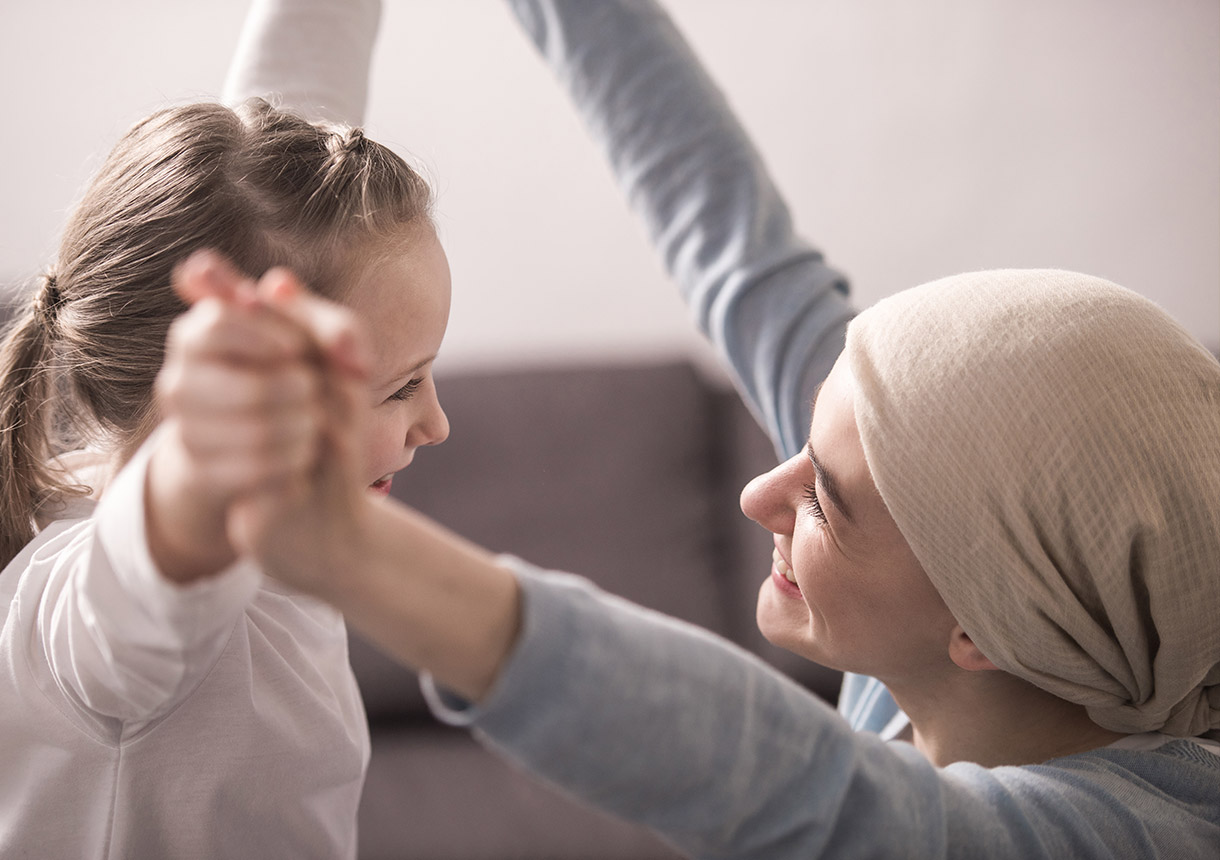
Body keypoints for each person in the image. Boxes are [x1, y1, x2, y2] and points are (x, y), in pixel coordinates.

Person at [217, 1, 1219, 857]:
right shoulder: (977, 630)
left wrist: (352, 549)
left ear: (980, 626)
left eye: (823, 499)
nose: (758, 493)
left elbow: (800, 788)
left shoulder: (1124, 831)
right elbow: (726, 232)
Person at [0, 94, 450, 856]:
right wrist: (202, 464)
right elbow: (149, 576)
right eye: (401, 388)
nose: (437, 425)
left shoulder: (256, 228)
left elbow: (274, 156)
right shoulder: (82, 618)